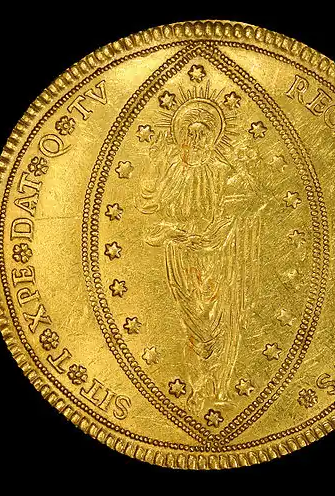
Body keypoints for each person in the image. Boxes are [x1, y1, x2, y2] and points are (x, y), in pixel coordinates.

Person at [136, 100, 263, 411]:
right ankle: (197, 388)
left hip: (216, 255)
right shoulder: (172, 171)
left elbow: (246, 205)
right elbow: (147, 203)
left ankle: (219, 385)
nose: (195, 142)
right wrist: (154, 163)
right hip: (180, 256)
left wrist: (213, 233)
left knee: (218, 320)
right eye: (190, 135)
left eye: (203, 135)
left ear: (212, 139)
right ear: (181, 138)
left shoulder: (221, 172)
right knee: (192, 324)